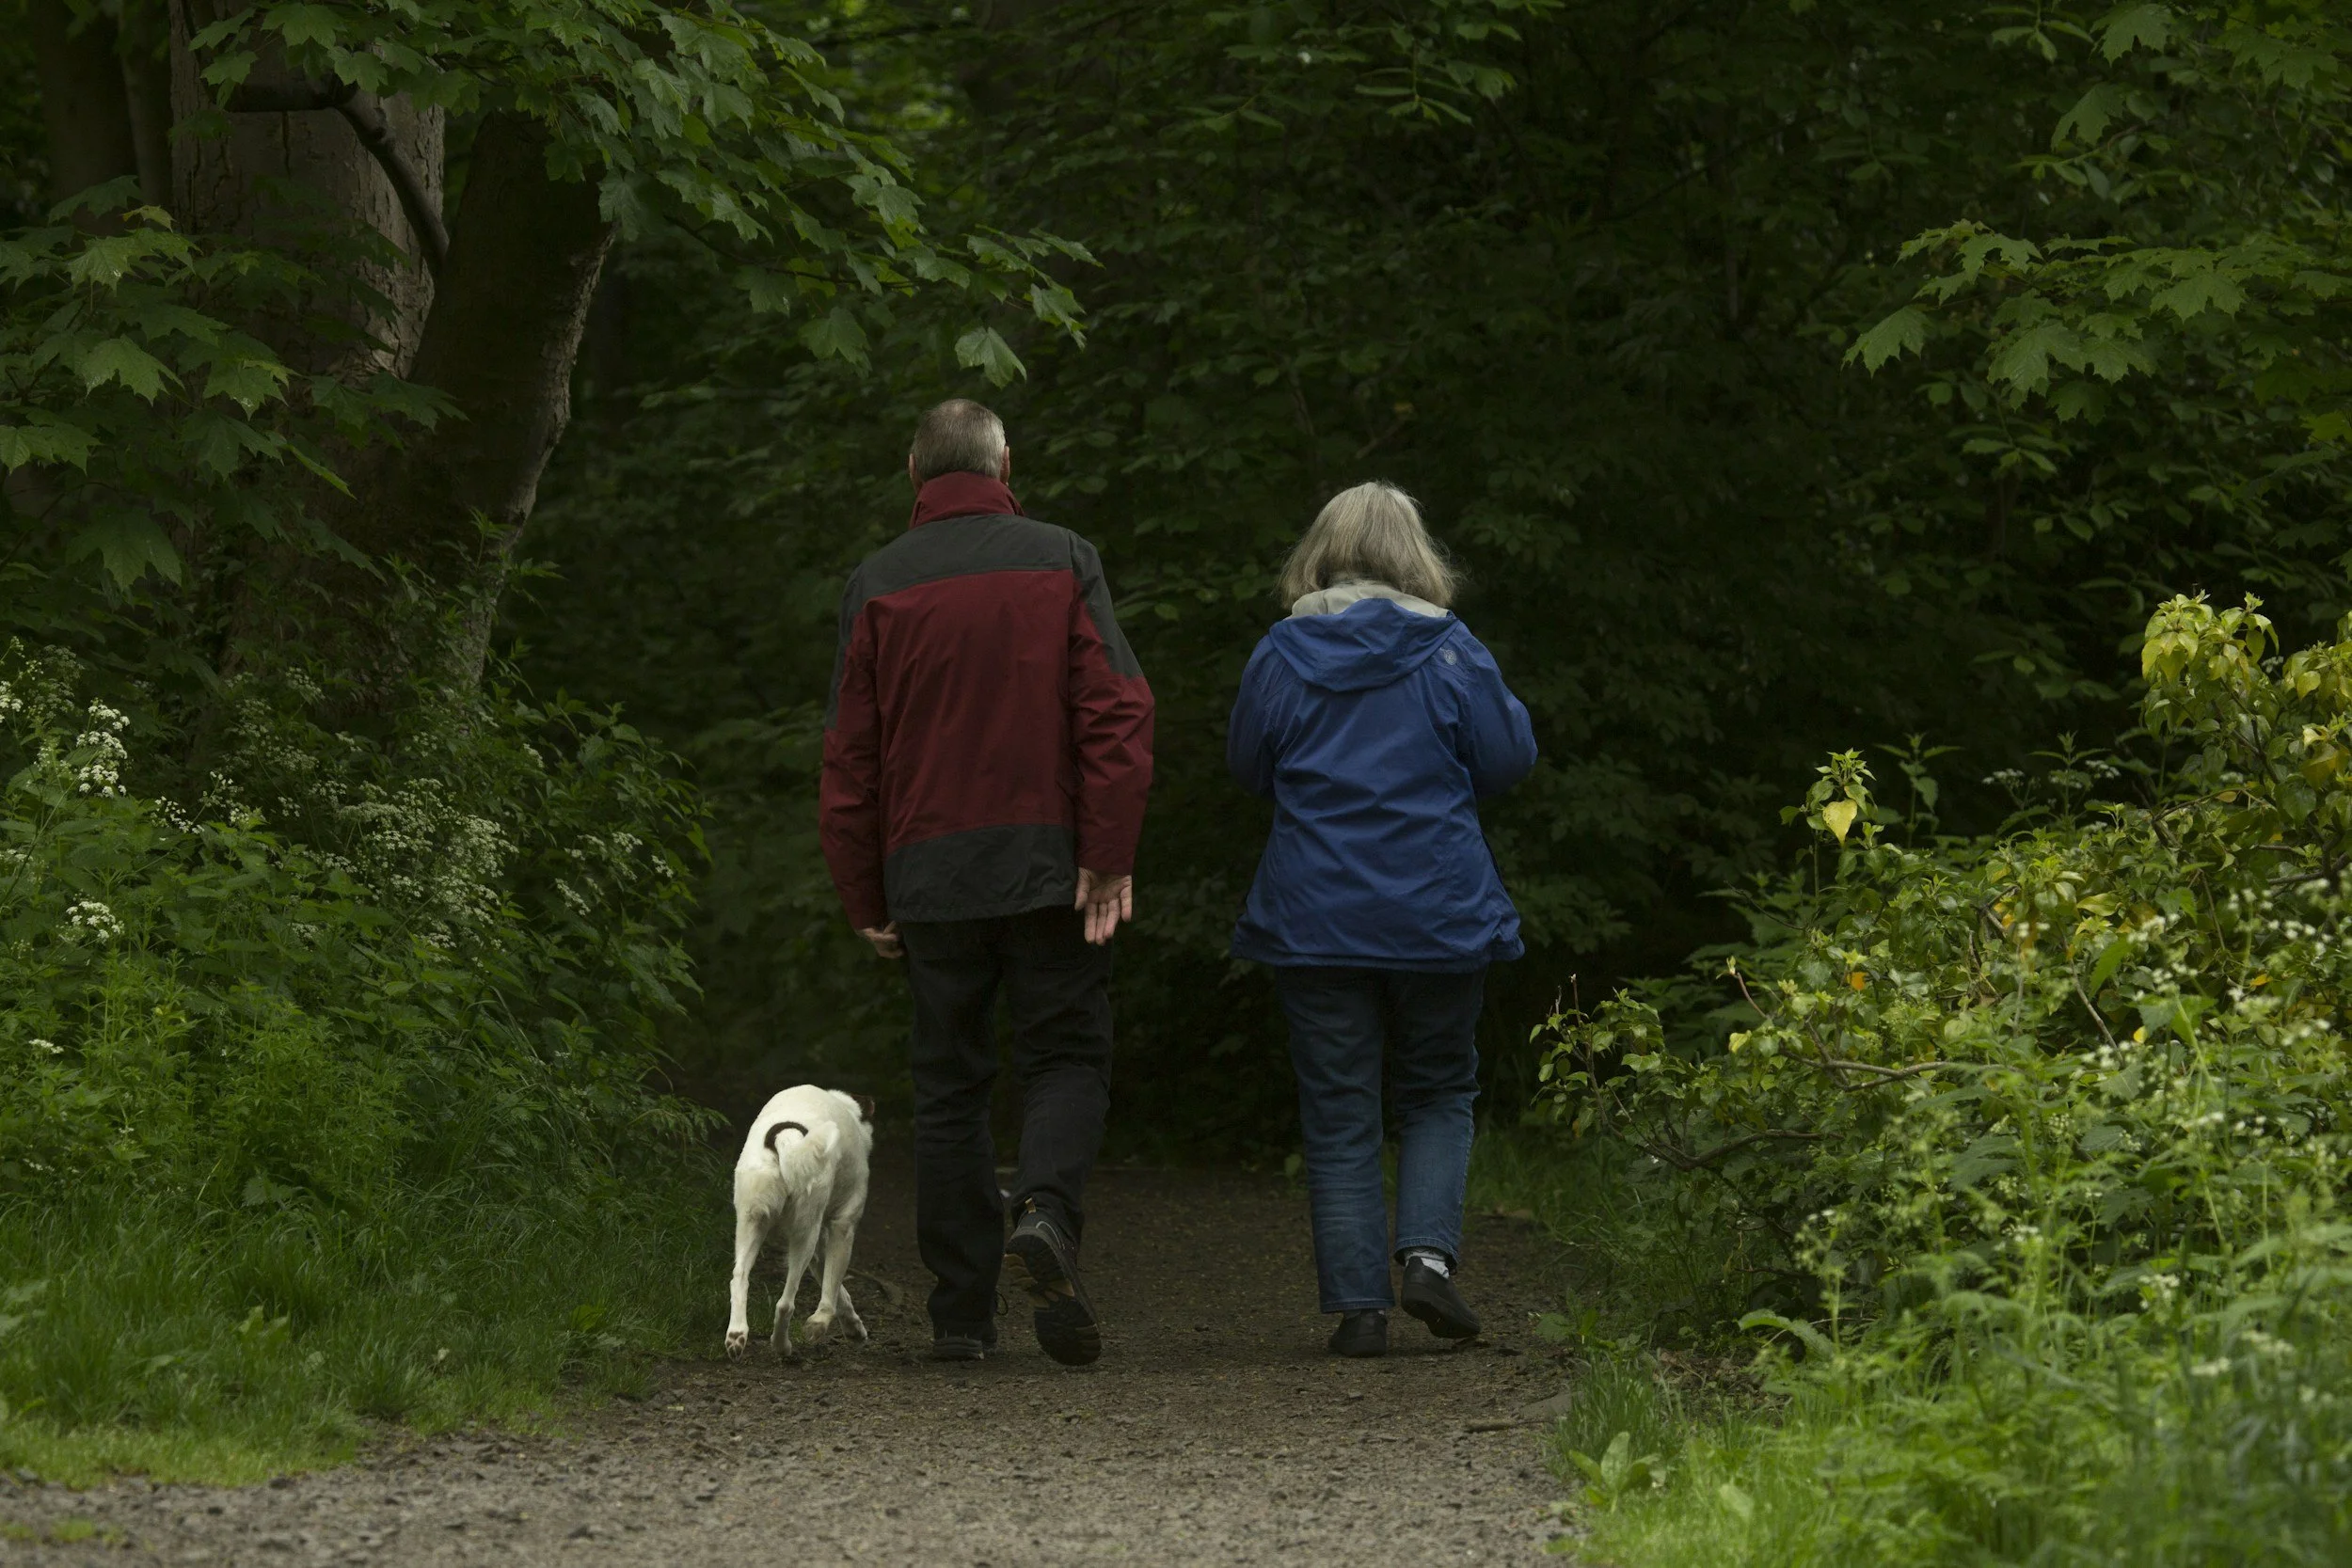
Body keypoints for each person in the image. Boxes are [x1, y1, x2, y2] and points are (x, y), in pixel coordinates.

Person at [819, 399, 1153, 1366]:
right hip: (1050, 862)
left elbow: (851, 757)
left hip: (929, 871)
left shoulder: (877, 581)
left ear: (911, 469)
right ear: (1006, 460)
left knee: (949, 1084)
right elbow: (1116, 714)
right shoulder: (1061, 558)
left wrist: (862, 893)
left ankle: (961, 1312)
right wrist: (1109, 850)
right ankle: (1044, 1211)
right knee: (1066, 1055)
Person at [1227, 482, 1537, 1358]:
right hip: (1437, 907)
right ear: (1415, 555)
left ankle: (1360, 1308)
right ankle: (1429, 1262)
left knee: (1338, 1109)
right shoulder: (1451, 649)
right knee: (1439, 1087)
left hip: (1316, 913)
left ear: (1322, 554)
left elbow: (1248, 765)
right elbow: (1510, 758)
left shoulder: (1281, 654)